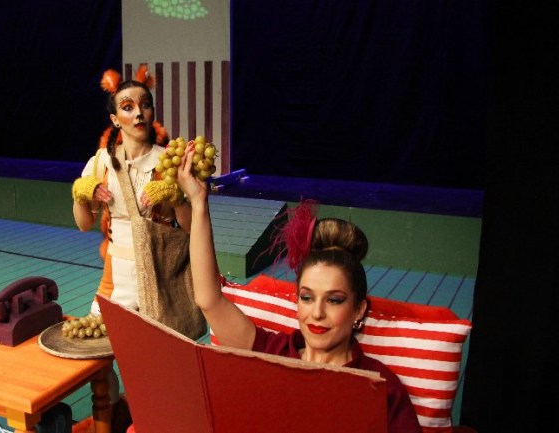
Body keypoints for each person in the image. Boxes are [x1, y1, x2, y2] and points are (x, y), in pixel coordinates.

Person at [176, 145, 422, 433]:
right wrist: (198, 202)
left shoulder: (381, 386)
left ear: (358, 310)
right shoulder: (273, 352)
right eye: (307, 297)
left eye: (334, 300)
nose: (316, 313)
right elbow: (209, 300)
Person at [71, 66, 192, 433]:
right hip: (114, 282)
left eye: (145, 105)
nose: (138, 113)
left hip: (158, 279)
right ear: (115, 118)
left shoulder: (169, 161)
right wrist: (81, 194)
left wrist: (176, 196)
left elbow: (191, 226)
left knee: (159, 370)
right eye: (127, 107)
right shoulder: (101, 162)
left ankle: (154, 423)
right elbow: (83, 224)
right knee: (101, 364)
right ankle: (110, 423)